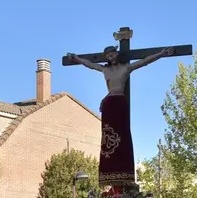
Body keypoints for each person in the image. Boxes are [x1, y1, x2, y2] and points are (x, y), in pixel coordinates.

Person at [67, 47, 173, 186]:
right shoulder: (105, 70)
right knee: (108, 138)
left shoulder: (126, 68)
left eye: (113, 55)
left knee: (122, 135)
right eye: (108, 56)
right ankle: (110, 171)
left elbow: (144, 61)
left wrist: (160, 54)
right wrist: (77, 58)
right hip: (109, 104)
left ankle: (124, 171)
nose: (111, 58)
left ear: (117, 54)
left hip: (120, 102)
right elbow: (90, 65)